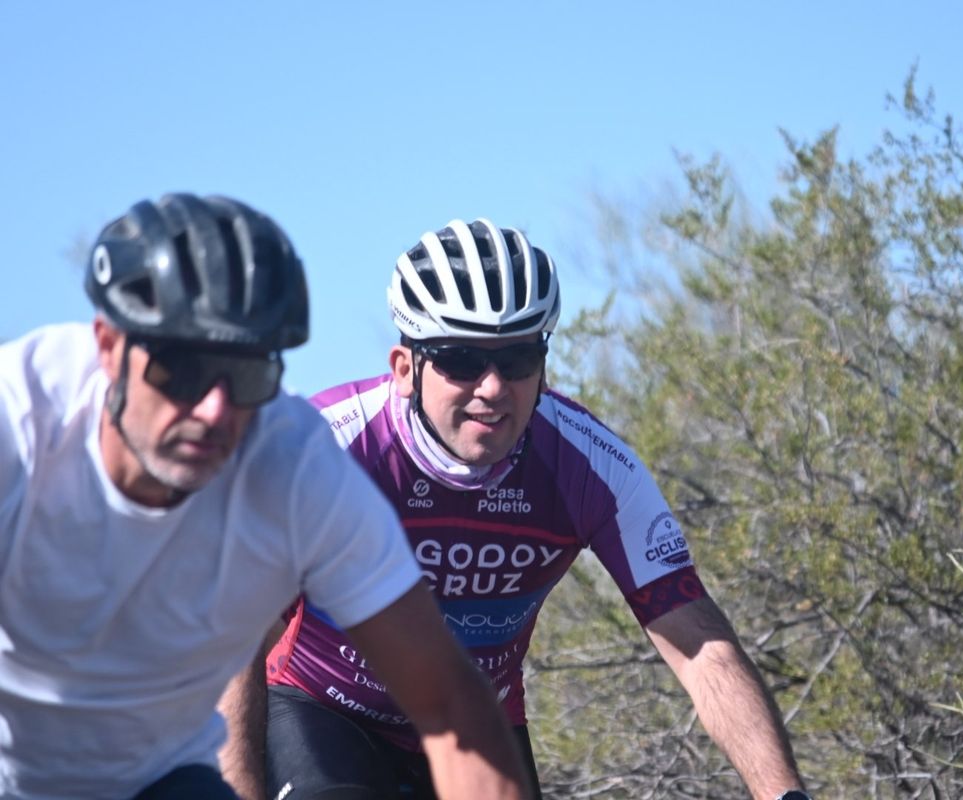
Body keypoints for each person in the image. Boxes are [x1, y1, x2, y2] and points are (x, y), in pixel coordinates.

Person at [222, 218, 813, 800]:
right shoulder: (320, 451)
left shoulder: (594, 468)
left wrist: (786, 797)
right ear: (405, 369)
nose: (492, 387)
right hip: (328, 711)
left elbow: (701, 646)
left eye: (517, 359)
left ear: (544, 365)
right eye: (459, 359)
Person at [0, 196, 531, 800]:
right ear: (107, 346)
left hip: (161, 775)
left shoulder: (296, 465)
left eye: (246, 377)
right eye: (182, 371)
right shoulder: (19, 421)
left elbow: (448, 700)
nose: (215, 410)